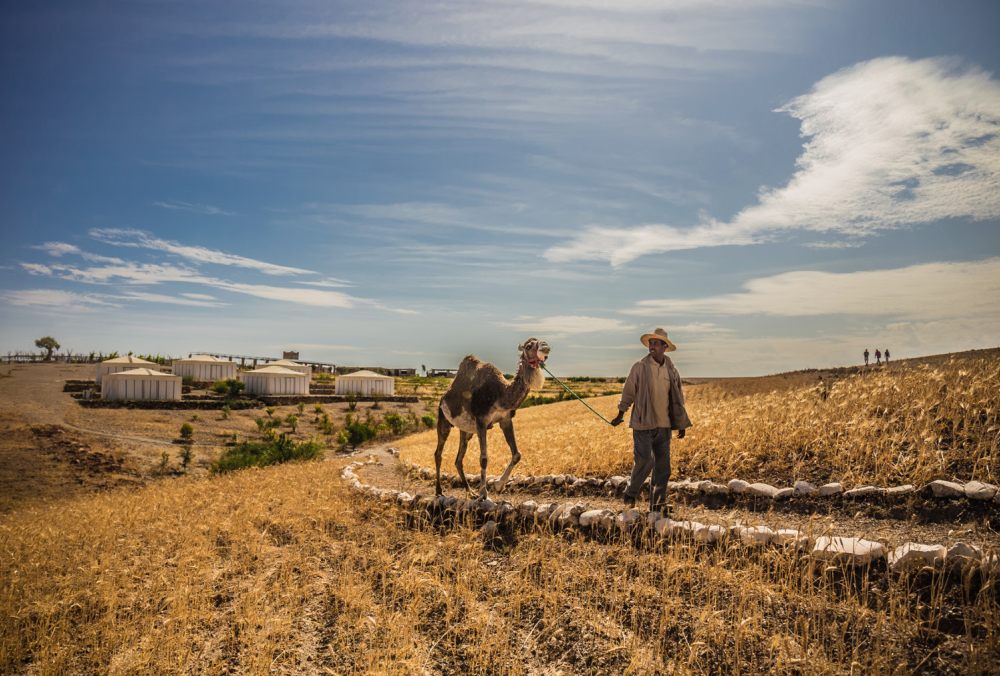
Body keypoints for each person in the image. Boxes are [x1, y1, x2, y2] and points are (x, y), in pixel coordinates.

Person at [610, 328, 692, 513]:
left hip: (664, 425)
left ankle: (658, 504)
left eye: (656, 343)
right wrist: (620, 414)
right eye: (650, 343)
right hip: (643, 423)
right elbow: (629, 392)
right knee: (645, 461)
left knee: (663, 467)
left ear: (664, 346)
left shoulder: (671, 370)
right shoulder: (639, 367)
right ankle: (631, 493)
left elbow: (678, 397)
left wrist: (681, 423)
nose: (651, 346)